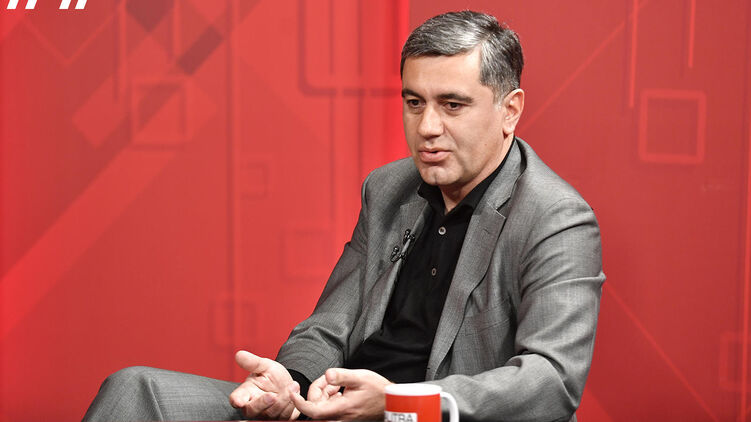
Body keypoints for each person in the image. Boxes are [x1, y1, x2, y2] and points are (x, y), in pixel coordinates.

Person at [83, 10, 604, 422]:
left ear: (509, 110)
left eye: (452, 105)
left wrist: (401, 404)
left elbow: (552, 381)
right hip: (333, 411)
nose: (427, 127)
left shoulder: (555, 218)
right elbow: (330, 325)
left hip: (420, 417)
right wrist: (290, 384)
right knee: (135, 391)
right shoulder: (389, 188)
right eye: (414, 102)